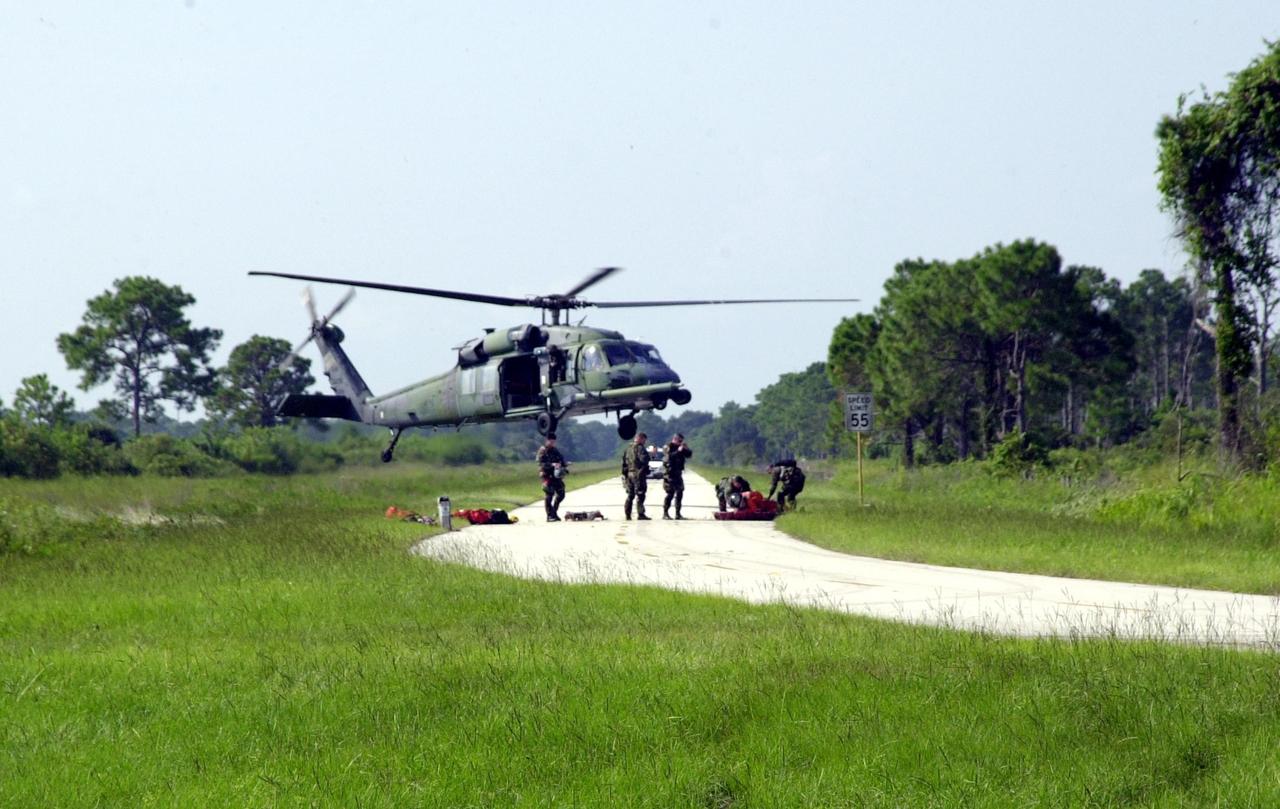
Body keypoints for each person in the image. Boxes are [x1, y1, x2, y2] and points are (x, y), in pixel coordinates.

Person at [536, 433, 567, 522]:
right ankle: (550, 515)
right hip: (546, 475)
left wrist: (564, 464)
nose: (552, 443)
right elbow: (541, 463)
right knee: (549, 495)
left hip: (556, 476)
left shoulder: (555, 450)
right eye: (551, 441)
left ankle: (554, 512)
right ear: (547, 441)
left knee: (561, 494)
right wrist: (552, 464)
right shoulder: (542, 451)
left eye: (554, 442)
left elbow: (561, 459)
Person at [661, 433, 693, 519]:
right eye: (679, 440)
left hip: (678, 474)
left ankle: (678, 513)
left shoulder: (680, 447)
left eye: (681, 441)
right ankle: (665, 513)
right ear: (674, 439)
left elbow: (689, 455)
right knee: (670, 494)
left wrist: (686, 448)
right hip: (669, 474)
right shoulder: (668, 446)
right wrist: (678, 451)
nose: (680, 442)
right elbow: (669, 457)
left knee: (680, 493)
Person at [621, 431, 651, 520]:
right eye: (644, 440)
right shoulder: (640, 448)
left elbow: (624, 463)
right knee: (640, 494)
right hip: (638, 474)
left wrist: (625, 475)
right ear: (640, 439)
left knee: (630, 495)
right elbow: (644, 460)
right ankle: (640, 514)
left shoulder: (628, 449)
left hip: (629, 474)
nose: (644, 442)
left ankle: (628, 514)